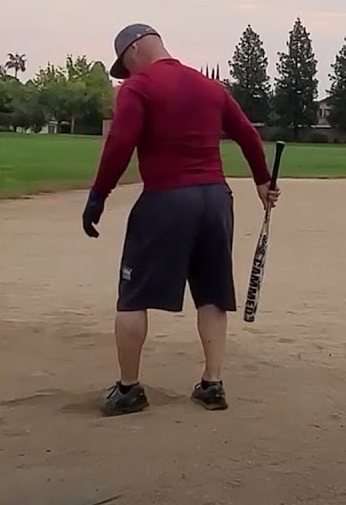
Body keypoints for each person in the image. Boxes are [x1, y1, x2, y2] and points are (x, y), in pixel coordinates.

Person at [82, 23, 280, 416]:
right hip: (215, 199)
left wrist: (98, 196)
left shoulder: (139, 88)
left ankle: (128, 389)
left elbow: (120, 144)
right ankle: (212, 383)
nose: (127, 73)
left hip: (166, 199)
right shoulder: (208, 86)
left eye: (125, 64)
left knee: (133, 295)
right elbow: (246, 134)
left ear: (134, 51)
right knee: (211, 293)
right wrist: (262, 180)